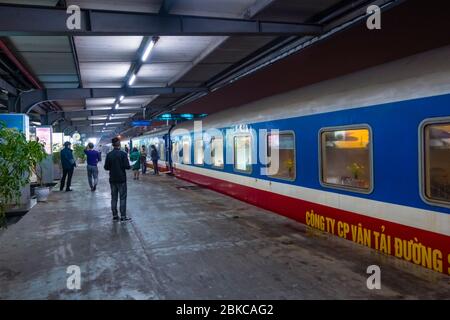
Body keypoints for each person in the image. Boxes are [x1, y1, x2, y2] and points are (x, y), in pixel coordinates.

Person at [104, 137, 131, 222]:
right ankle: (123, 216)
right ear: (119, 144)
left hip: (112, 179)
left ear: (112, 145)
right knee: (122, 198)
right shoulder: (123, 154)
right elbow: (127, 166)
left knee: (114, 197)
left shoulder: (109, 154)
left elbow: (106, 167)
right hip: (121, 179)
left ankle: (115, 216)